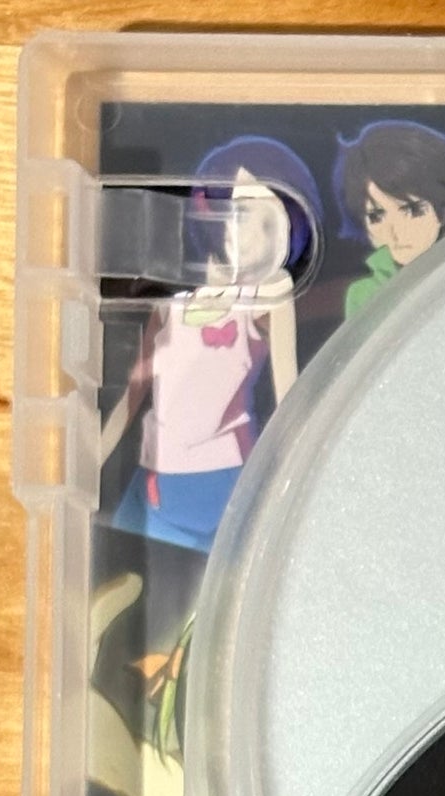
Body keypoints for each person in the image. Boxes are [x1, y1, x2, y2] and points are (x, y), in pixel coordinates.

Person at [100, 138, 319, 554]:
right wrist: (87, 461)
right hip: (155, 474)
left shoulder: (268, 292)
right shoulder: (174, 301)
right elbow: (133, 393)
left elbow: (288, 395)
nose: (252, 235)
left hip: (219, 479)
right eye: (241, 213)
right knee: (111, 569)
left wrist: (293, 477)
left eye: (270, 223)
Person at [333, 120, 445, 320]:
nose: (395, 231)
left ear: (442, 212)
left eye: (412, 210)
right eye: (376, 216)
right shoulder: (365, 295)